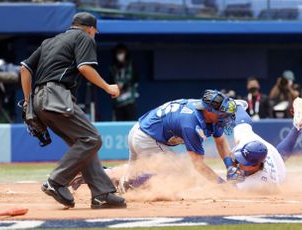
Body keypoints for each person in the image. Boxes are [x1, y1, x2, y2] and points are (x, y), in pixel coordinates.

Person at [20, 12, 126, 209]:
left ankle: (102, 193)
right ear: (91, 29)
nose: (94, 35)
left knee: (84, 143)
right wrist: (108, 87)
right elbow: (85, 68)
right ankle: (56, 181)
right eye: (95, 32)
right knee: (92, 139)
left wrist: (27, 102)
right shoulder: (83, 37)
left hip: (40, 99)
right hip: (56, 95)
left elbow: (25, 68)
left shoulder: (49, 41)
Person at [70, 89, 243, 192]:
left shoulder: (210, 115)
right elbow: (198, 165)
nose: (226, 116)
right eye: (222, 112)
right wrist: (221, 184)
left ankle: (89, 174)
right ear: (208, 110)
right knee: (181, 172)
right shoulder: (191, 123)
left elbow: (220, 141)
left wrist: (230, 168)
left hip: (142, 131)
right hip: (147, 138)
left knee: (133, 171)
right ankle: (126, 182)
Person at [230, 97, 302, 190]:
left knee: (280, 157)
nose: (240, 163)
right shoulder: (248, 144)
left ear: (255, 166)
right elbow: (234, 157)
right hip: (269, 151)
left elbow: (227, 190)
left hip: (278, 171)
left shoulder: (256, 184)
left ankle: (297, 128)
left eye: (243, 161)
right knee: (242, 128)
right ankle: (238, 105)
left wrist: (230, 179)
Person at [109, 43, 138, 121]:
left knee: (131, 123)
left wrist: (124, 87)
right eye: (118, 53)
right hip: (117, 102)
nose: (120, 55)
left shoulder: (131, 65)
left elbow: (134, 80)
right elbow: (110, 83)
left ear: (126, 53)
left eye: (121, 52)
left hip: (130, 101)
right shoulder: (112, 68)